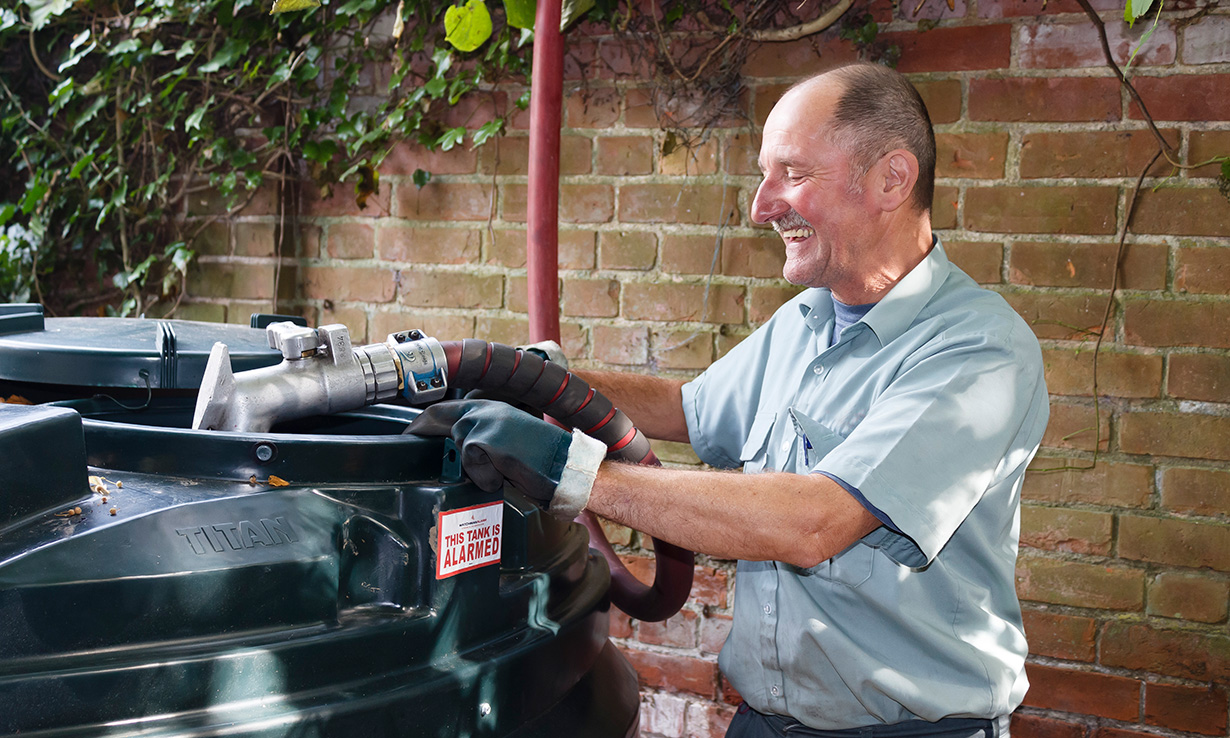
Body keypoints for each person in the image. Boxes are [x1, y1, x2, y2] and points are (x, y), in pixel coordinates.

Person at [410, 62, 1049, 737]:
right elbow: (687, 408)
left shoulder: (980, 350)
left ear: (892, 178)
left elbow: (817, 522)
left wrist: (570, 473)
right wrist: (528, 377)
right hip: (763, 723)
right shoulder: (806, 320)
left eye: (793, 175)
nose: (762, 206)